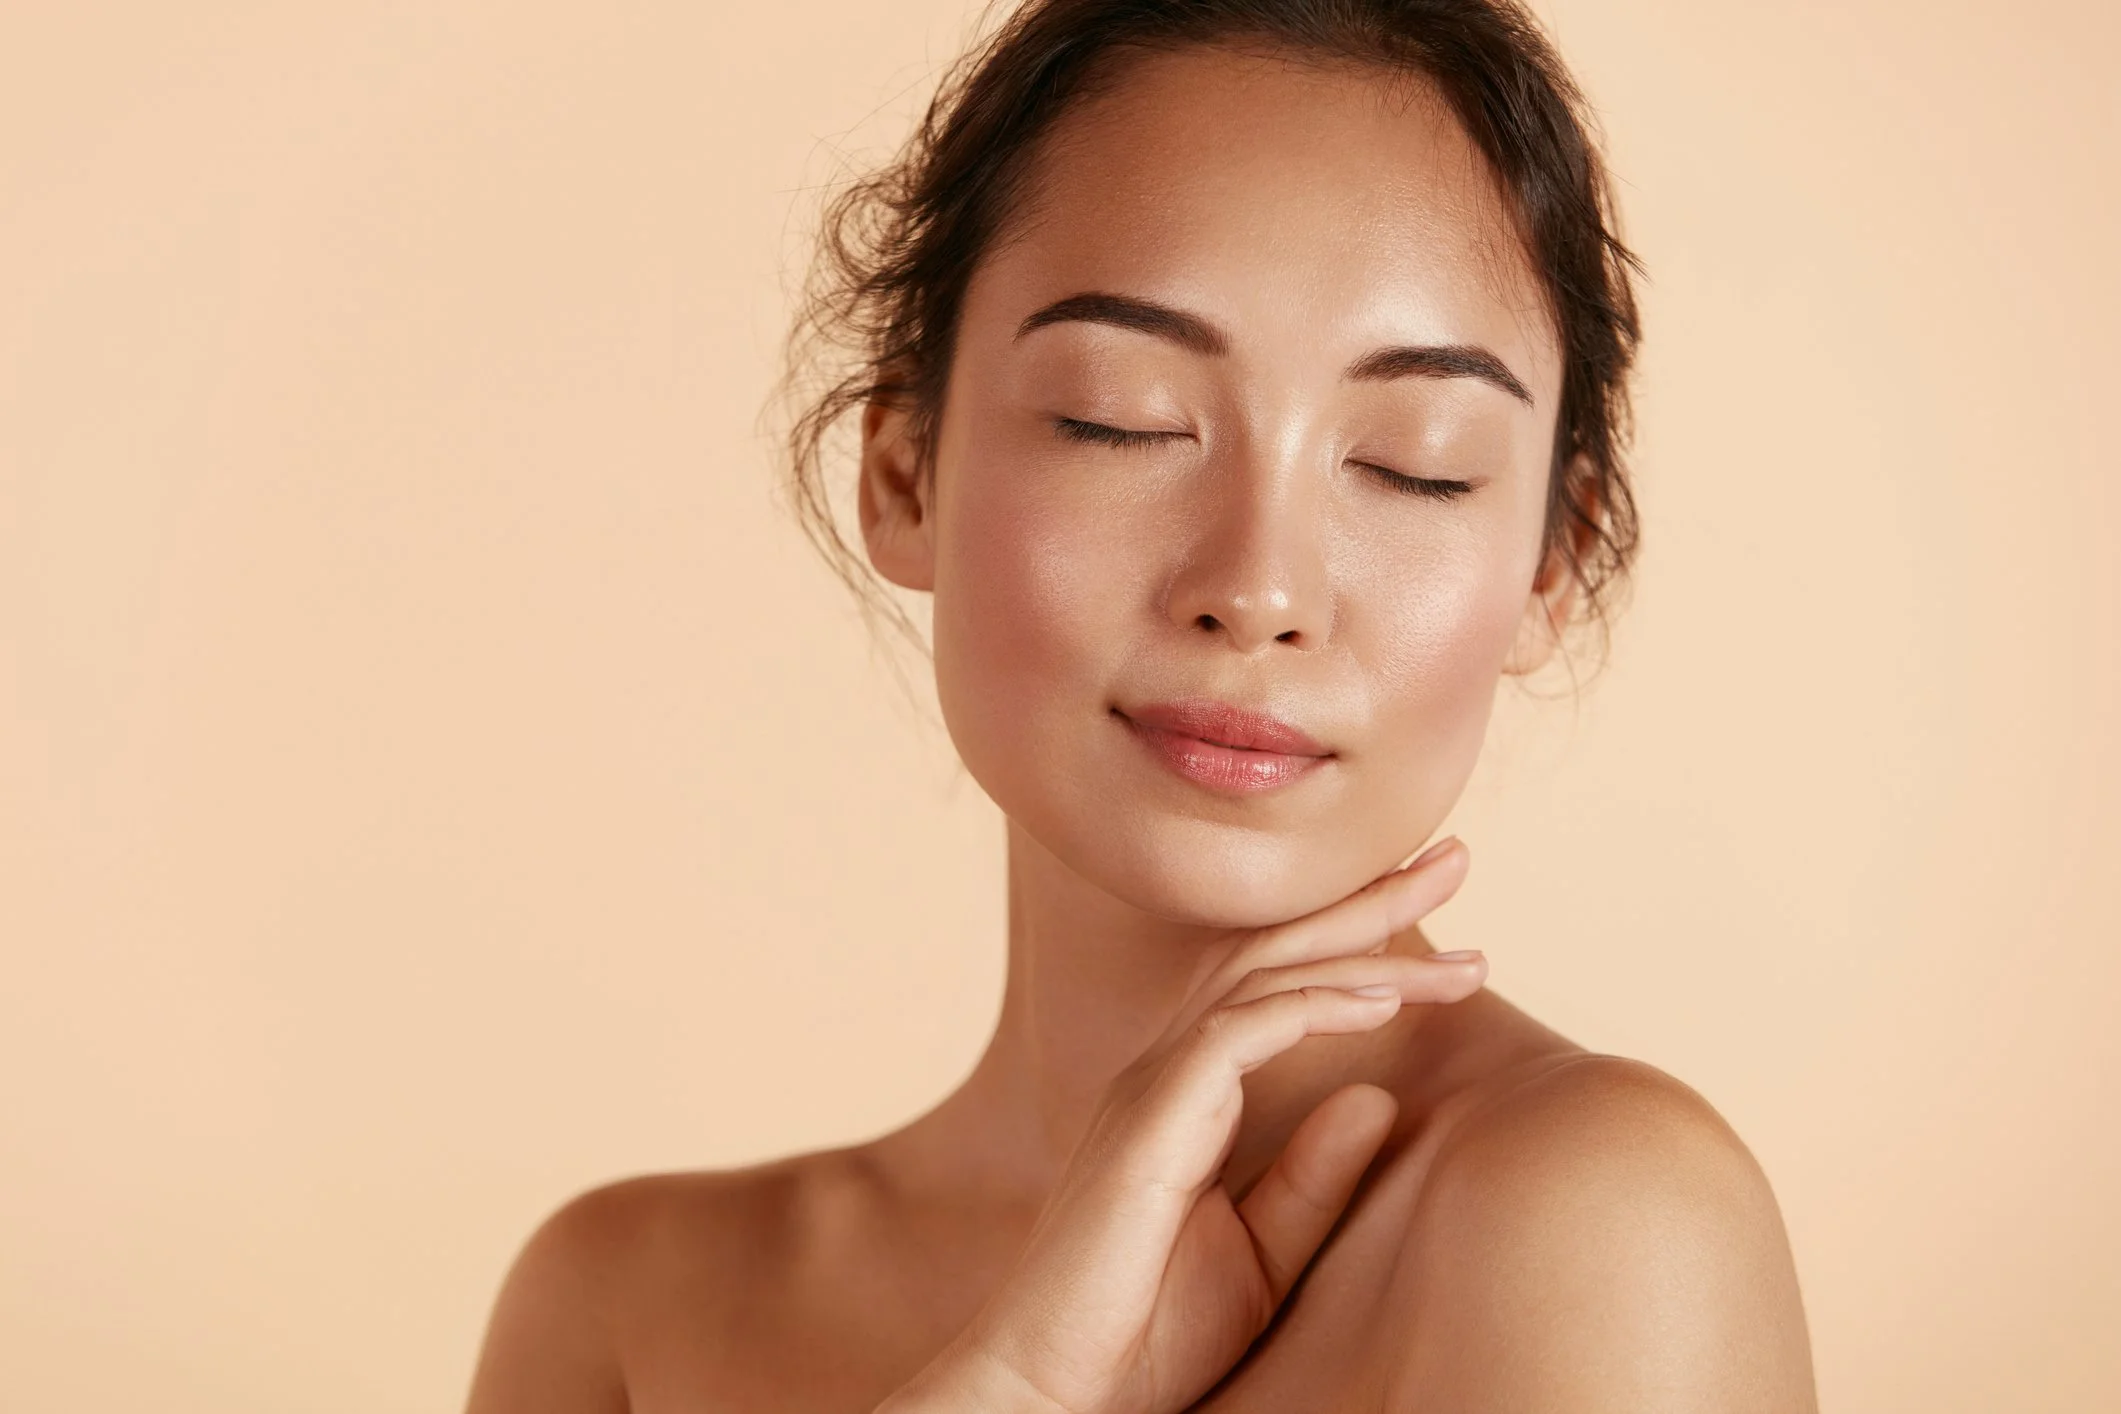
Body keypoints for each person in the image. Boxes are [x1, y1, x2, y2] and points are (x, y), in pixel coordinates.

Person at [463, 1, 1819, 1409]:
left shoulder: (1604, 1229)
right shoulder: (630, 1306)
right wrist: (1015, 1381)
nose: (1260, 585)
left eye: (1418, 464)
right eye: (1122, 416)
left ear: (1554, 560)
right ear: (905, 467)